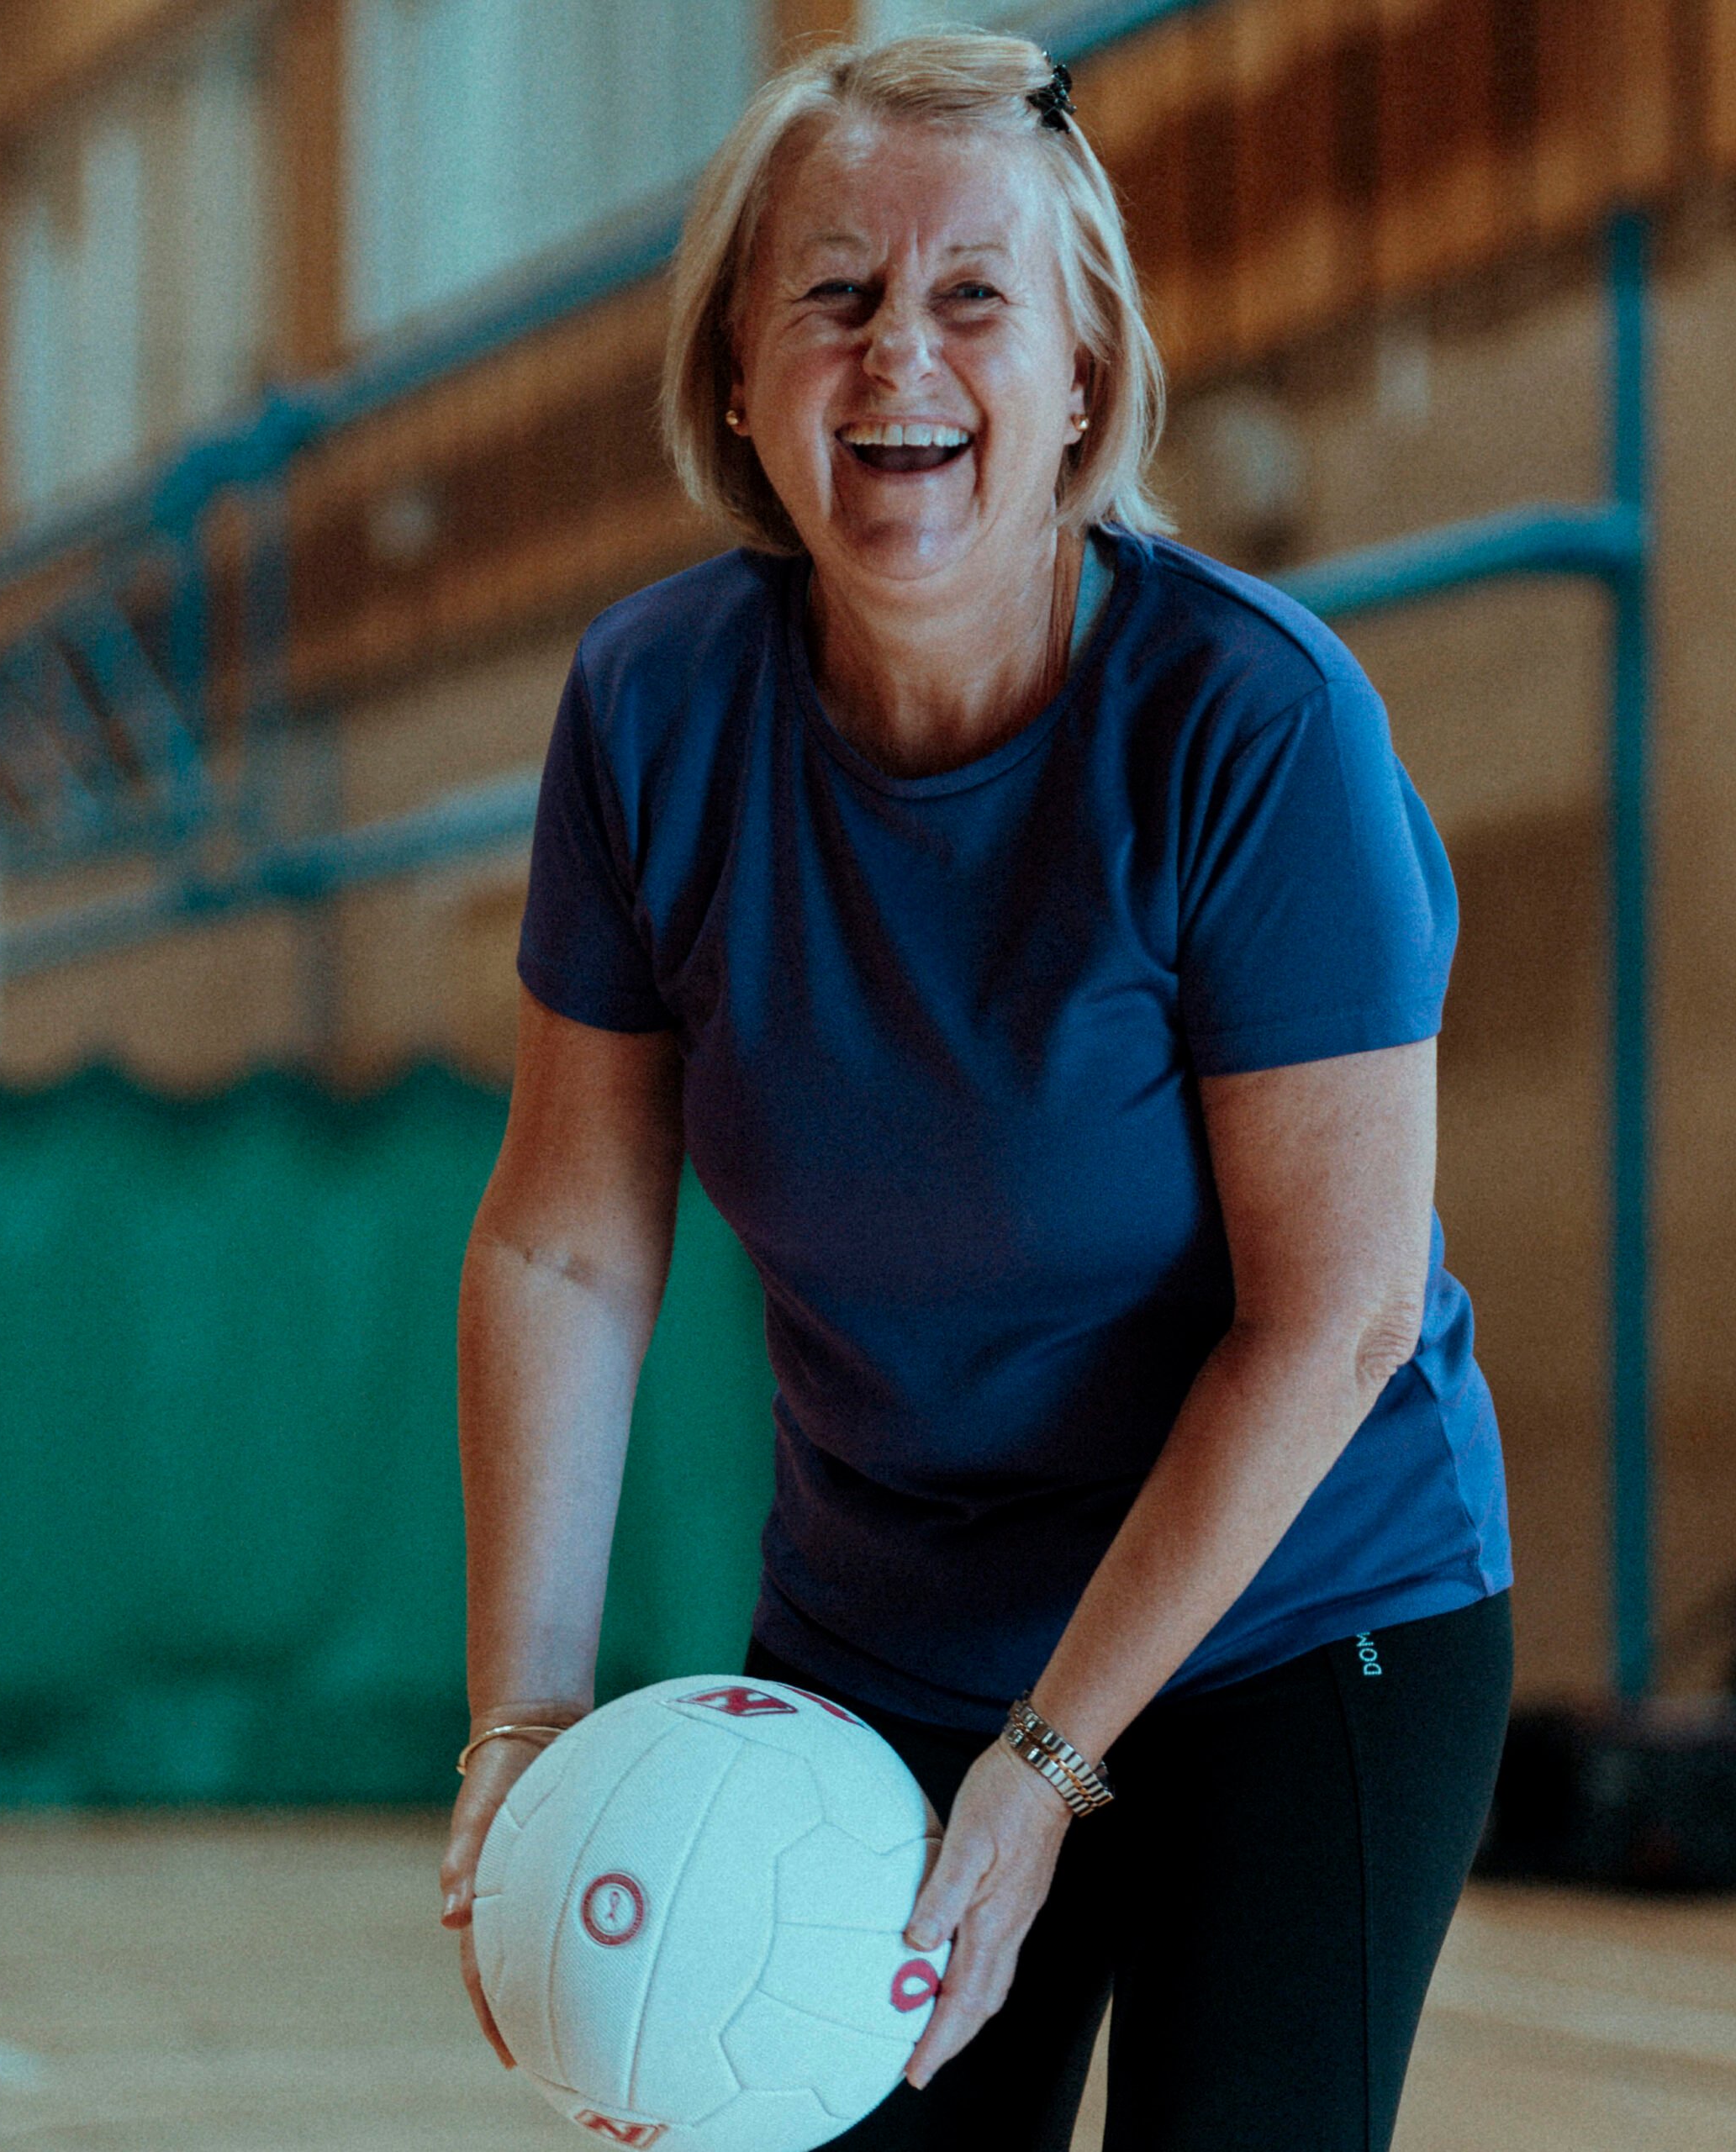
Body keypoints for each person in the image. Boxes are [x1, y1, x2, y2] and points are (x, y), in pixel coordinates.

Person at [438, 30, 1512, 2152]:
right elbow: (564, 1242)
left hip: (1302, 1613)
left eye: (968, 296)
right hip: (883, 1637)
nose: (894, 355)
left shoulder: (1250, 721)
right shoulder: (651, 713)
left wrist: (1041, 1774)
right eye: (830, 293)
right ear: (735, 381)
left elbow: (1337, 1311)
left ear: (1085, 373)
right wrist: (522, 1726)